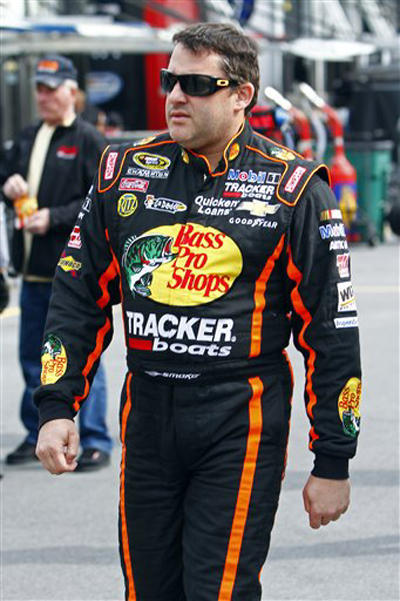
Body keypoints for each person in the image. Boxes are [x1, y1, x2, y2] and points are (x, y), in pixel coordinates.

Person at [35, 24, 362, 600]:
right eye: (170, 80)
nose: (176, 96)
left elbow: (331, 331)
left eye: (197, 84)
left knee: (218, 591)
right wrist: (57, 405)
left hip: (240, 416)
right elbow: (77, 295)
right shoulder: (123, 172)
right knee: (149, 590)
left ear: (242, 95)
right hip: (148, 414)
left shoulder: (294, 187)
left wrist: (333, 459)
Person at [1, 54, 113, 471]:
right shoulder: (27, 137)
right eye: (39, 89)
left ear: (72, 91)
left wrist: (55, 217)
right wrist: (7, 184)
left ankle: (96, 438)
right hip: (32, 269)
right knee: (33, 357)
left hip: (72, 270)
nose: (43, 96)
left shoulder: (89, 140)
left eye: (51, 88)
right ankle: (38, 432)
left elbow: (100, 200)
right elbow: (4, 178)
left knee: (80, 356)